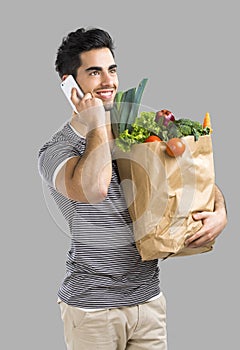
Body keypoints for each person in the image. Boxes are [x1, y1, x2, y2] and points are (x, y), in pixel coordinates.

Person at [38, 27, 227, 350]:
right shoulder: (56, 151)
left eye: (111, 70)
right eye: (94, 72)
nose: (108, 81)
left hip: (149, 301)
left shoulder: (137, 133)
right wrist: (97, 124)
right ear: (69, 83)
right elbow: (95, 189)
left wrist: (220, 210)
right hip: (92, 308)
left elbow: (190, 175)